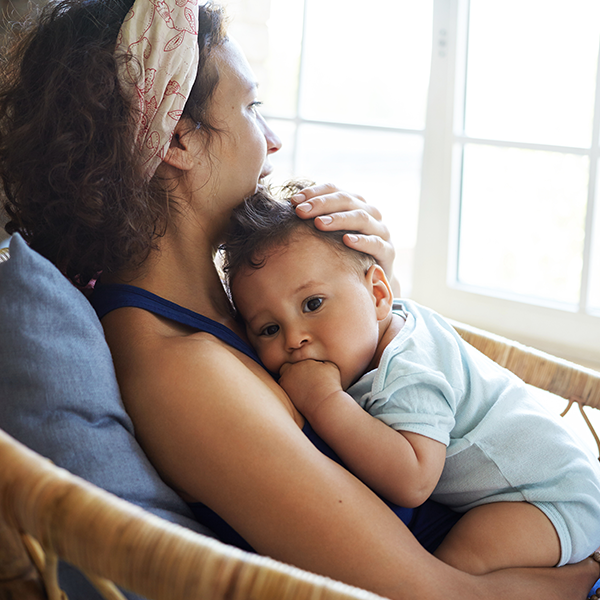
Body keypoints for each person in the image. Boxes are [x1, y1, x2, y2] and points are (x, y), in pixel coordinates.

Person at [1, 0, 599, 597]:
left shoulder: (225, 303)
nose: (274, 141)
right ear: (178, 140)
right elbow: (427, 593)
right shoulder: (182, 372)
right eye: (251, 108)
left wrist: (371, 298)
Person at [222, 187, 600, 577]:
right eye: (268, 328)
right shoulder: (377, 331)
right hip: (552, 479)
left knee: (454, 569)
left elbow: (414, 481)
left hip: (551, 498)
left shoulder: (408, 371)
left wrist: (324, 401)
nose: (293, 338)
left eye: (313, 304)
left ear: (379, 294)